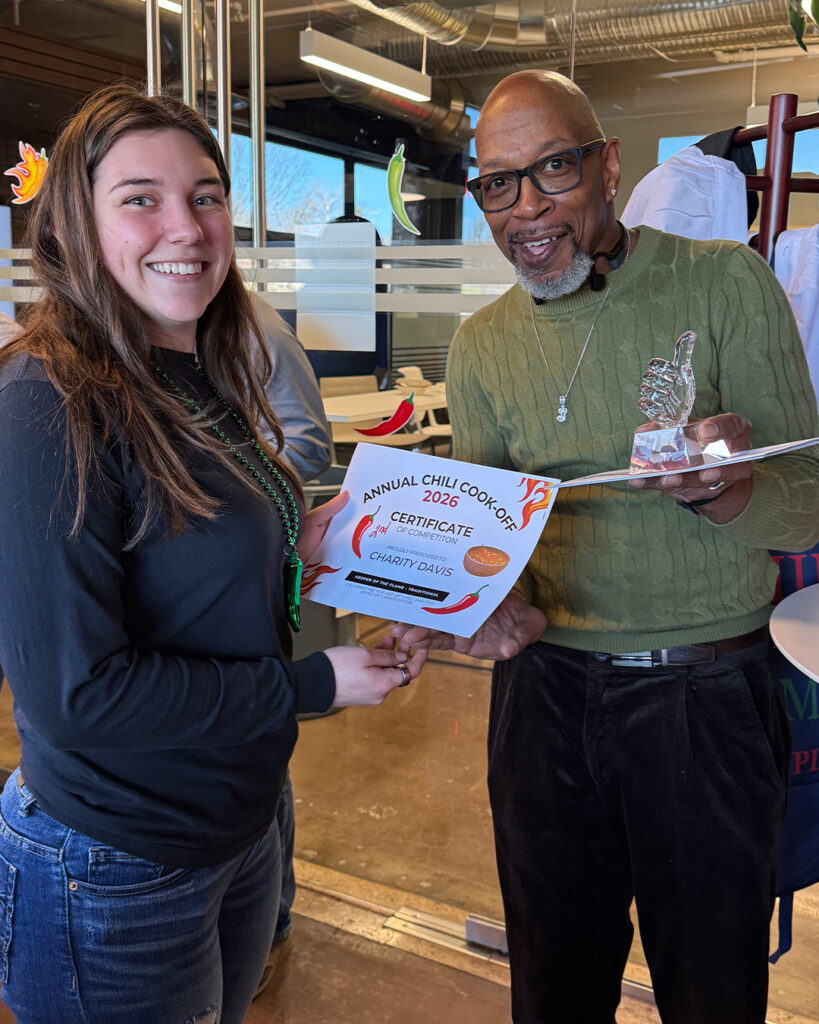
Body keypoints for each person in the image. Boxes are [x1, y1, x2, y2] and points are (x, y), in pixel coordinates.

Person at [392, 70, 819, 1024]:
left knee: (711, 991)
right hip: (543, 700)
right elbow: (479, 544)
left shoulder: (722, 283)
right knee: (552, 989)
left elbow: (811, 506)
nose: (527, 210)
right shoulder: (481, 343)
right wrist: (449, 598)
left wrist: (728, 489)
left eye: (552, 169)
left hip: (704, 697)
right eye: (498, 184)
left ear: (609, 164)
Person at [0, 83, 425, 1024]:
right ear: (74, 221)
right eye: (140, 198)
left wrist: (301, 542)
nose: (186, 227)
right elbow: (76, 694)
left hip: (239, 820)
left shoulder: (194, 369)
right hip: (117, 857)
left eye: (204, 196)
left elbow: (183, 562)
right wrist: (317, 684)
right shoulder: (48, 399)